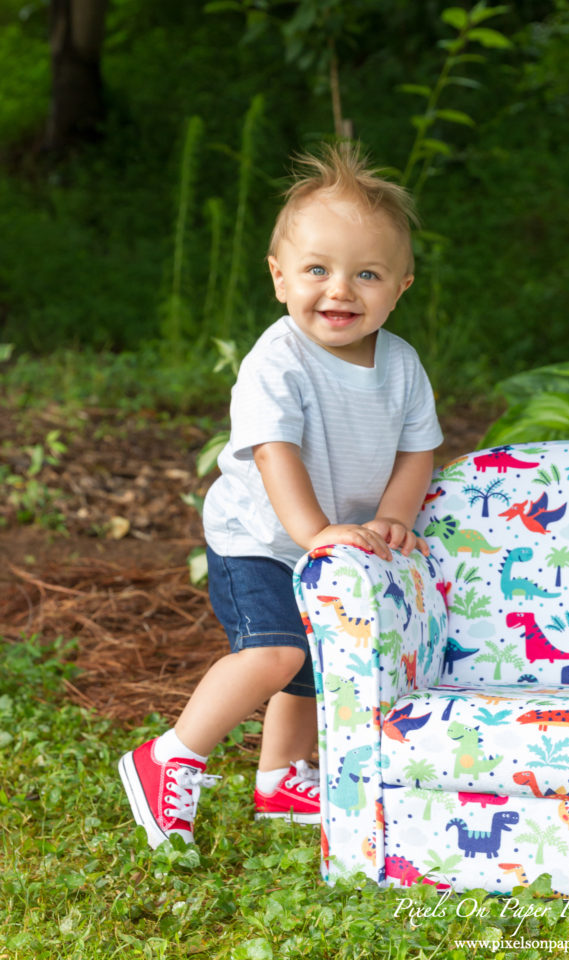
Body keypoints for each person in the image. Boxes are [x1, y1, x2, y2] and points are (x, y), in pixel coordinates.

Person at [118, 142, 443, 848]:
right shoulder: (278, 360)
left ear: (401, 285)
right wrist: (312, 531)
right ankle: (168, 754)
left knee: (315, 658)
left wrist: (392, 515)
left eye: (366, 274)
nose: (340, 290)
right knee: (275, 654)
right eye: (317, 271)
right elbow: (274, 452)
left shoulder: (402, 365)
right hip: (258, 538)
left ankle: (279, 775)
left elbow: (418, 449)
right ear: (278, 278)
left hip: (329, 540)